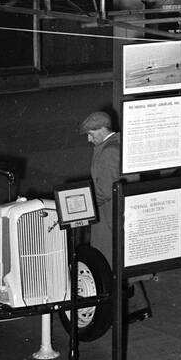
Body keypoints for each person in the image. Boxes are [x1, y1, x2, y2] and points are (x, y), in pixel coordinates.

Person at [78, 110, 120, 263]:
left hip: (109, 215)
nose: (89, 139)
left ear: (102, 130)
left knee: (108, 257)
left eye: (91, 134)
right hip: (117, 212)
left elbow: (106, 191)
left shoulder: (109, 152)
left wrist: (83, 204)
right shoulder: (118, 142)